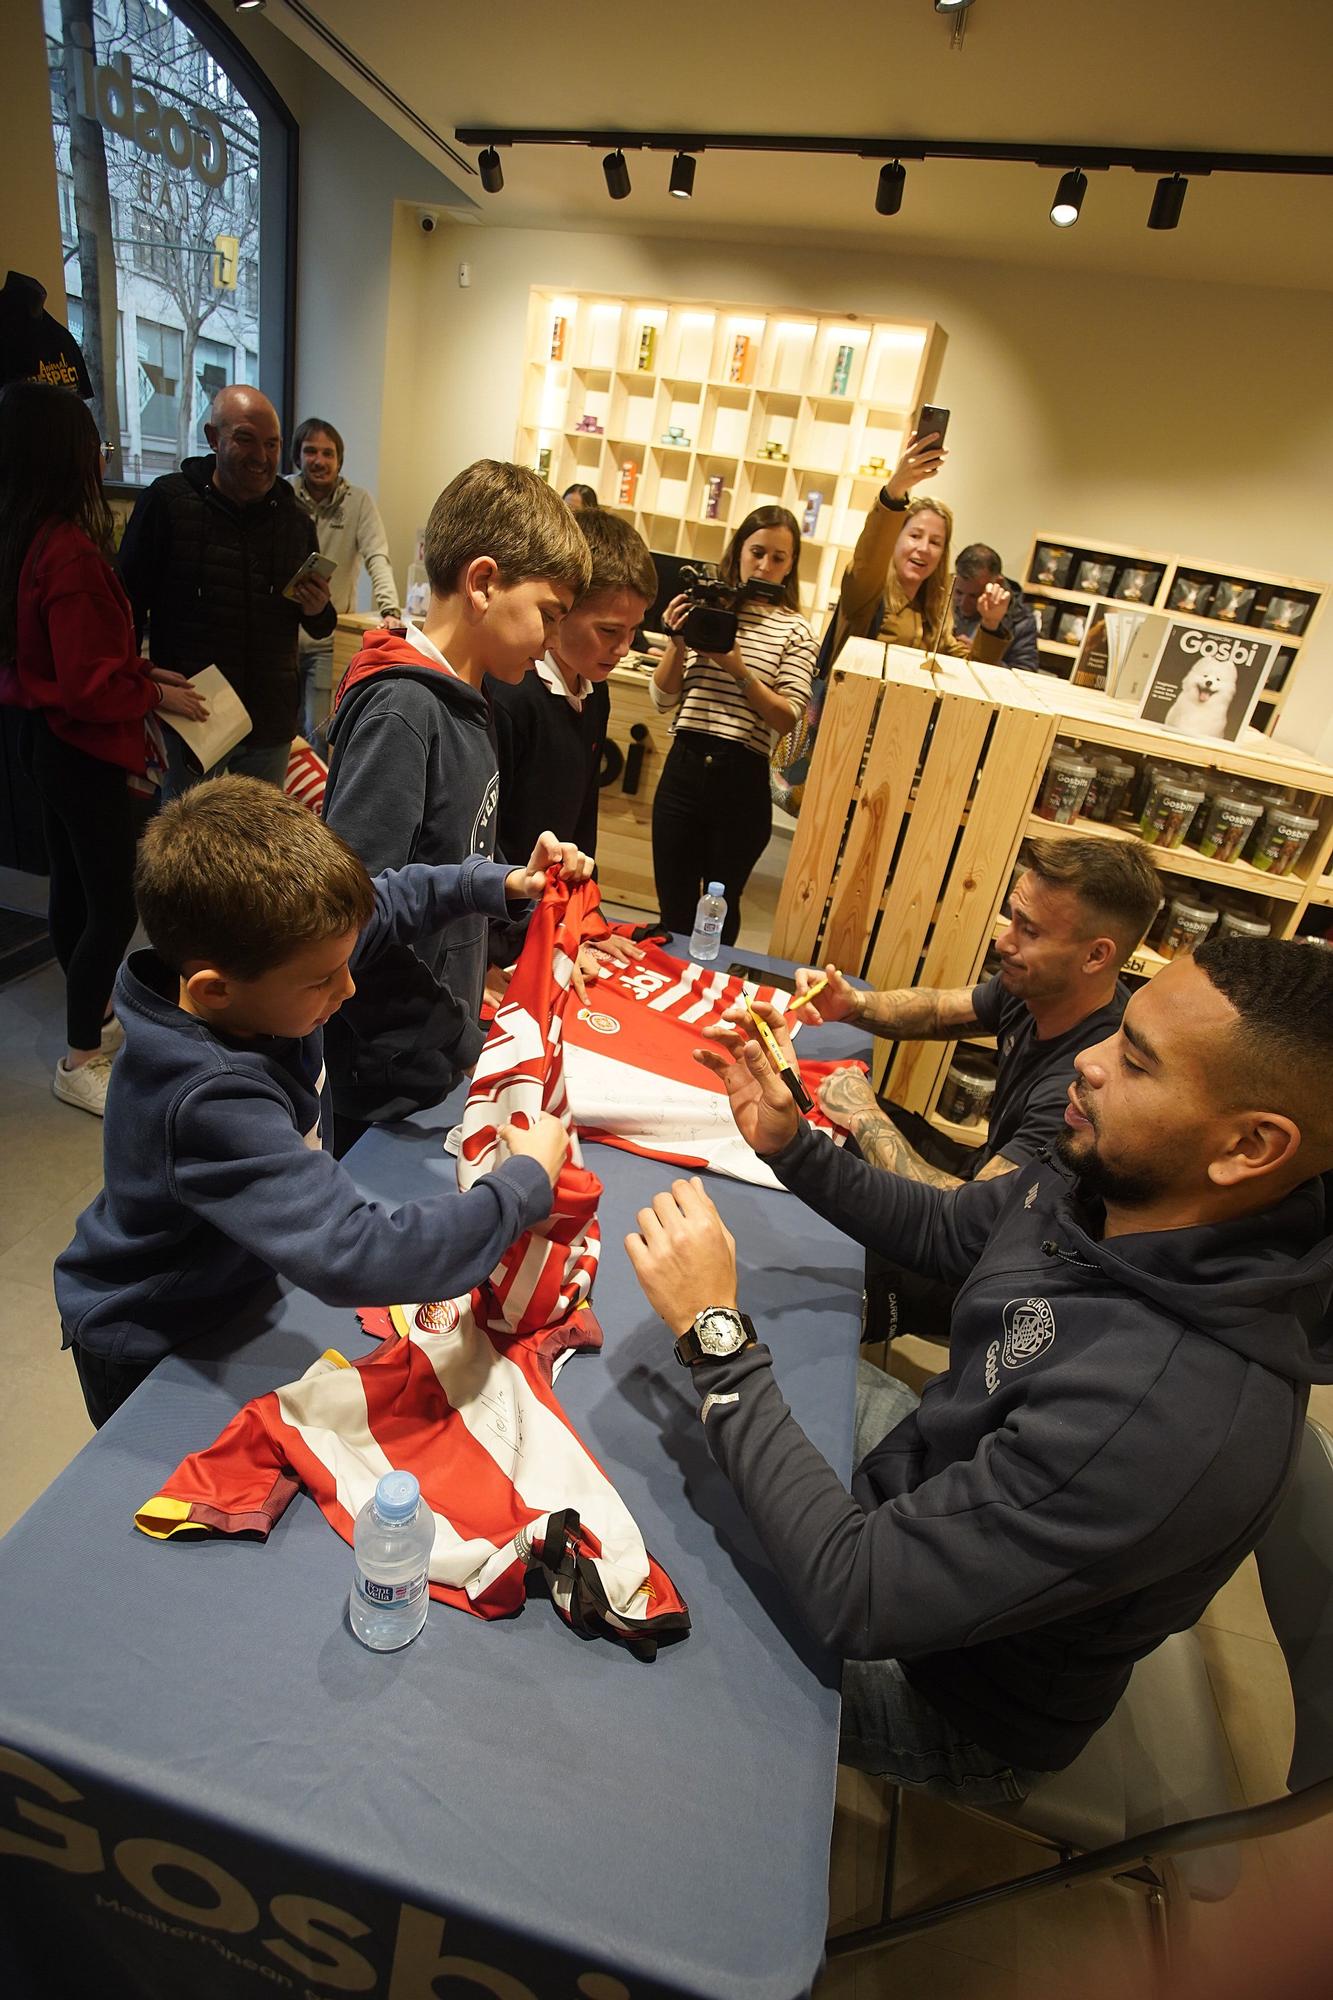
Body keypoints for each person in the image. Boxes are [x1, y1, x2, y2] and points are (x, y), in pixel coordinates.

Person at [627, 936, 1333, 1801]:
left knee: (647, 1572)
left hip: (948, 1695)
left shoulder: (1165, 1415)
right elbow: (950, 1233)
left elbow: (855, 1593)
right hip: (926, 1481)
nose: (1088, 1065)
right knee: (648, 1422)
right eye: (1118, 1034)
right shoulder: (1115, 1178)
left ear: (1250, 1144)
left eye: (1136, 1062)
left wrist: (716, 1334)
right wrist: (792, 1146)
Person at [54, 776, 584, 1429]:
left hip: (234, 1289)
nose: (349, 984)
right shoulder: (208, 1099)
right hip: (150, 1332)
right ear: (215, 991)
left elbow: (389, 902)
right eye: (324, 979)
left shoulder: (280, 957)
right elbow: (357, 1253)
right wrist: (523, 1182)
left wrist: (497, 886)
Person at [321, 459, 591, 1151]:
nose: (553, 640)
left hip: (435, 1056)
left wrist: (522, 894)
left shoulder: (471, 704)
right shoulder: (404, 710)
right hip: (388, 1070)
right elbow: (351, 917)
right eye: (548, 615)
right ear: (482, 583)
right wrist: (455, 1037)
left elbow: (453, 857)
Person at [0, 380, 206, 1117]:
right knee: (115, 906)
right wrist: (150, 693)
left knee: (74, 890)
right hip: (85, 750)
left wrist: (142, 672)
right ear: (73, 455)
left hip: (47, 742)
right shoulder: (74, 556)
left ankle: (91, 1020)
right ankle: (81, 1052)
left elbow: (59, 664)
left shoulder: (29, 539)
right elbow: (89, 688)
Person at [796, 835, 1163, 1190]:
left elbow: (966, 1226)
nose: (1004, 942)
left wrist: (864, 1116)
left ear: (1096, 956)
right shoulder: (1039, 988)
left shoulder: (1082, 1091)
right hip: (975, 1174)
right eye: (1013, 919)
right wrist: (853, 1004)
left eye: (1029, 931)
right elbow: (939, 1012)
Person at [117, 385, 335, 792]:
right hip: (195, 718)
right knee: (189, 844)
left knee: (258, 847)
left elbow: (321, 625)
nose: (262, 456)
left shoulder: (295, 521)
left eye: (272, 444)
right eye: (246, 439)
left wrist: (317, 608)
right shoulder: (167, 503)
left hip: (269, 725)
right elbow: (123, 608)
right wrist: (143, 687)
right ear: (214, 438)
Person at [649, 505, 816, 946]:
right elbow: (663, 699)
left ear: (792, 564)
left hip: (741, 781)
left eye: (778, 557)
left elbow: (788, 718)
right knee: (674, 907)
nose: (764, 565)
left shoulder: (796, 630)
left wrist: (738, 669)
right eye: (757, 551)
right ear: (739, 550)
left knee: (721, 911)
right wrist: (678, 641)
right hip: (683, 768)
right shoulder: (709, 608)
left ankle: (708, 1002)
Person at [489, 508, 656, 865]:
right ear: (562, 609)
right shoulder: (512, 694)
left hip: (555, 902)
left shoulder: (596, 691)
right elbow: (485, 831)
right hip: (507, 899)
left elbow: (583, 811)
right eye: (609, 631)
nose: (624, 648)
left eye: (633, 631)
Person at [831, 431, 1012, 665]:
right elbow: (870, 554)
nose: (924, 548)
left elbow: (967, 673)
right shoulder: (867, 594)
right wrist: (896, 489)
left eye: (935, 542)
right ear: (895, 539)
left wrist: (990, 623)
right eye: (915, 536)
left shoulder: (934, 614)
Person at [289, 416, 400, 745]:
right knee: (280, 732)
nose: (319, 461)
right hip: (281, 639)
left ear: (339, 460)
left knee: (318, 729)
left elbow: (377, 555)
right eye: (311, 451)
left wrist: (389, 608)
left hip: (327, 638)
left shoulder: (358, 501)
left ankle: (317, 796)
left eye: (328, 453)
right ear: (298, 456)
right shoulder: (282, 494)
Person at [951, 543, 1039, 670]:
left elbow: (1026, 672)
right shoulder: (941, 596)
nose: (963, 604)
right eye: (959, 592)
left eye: (974, 596)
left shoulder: (1021, 619)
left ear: (998, 583)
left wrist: (984, 655)